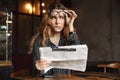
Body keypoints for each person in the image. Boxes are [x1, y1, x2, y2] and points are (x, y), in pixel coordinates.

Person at [29, 3, 80, 77]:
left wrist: (70, 25)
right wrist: (39, 68)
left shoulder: (68, 39)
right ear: (48, 20)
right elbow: (36, 72)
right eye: (53, 18)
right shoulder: (39, 41)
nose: (57, 22)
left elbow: (77, 53)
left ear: (65, 20)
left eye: (61, 18)